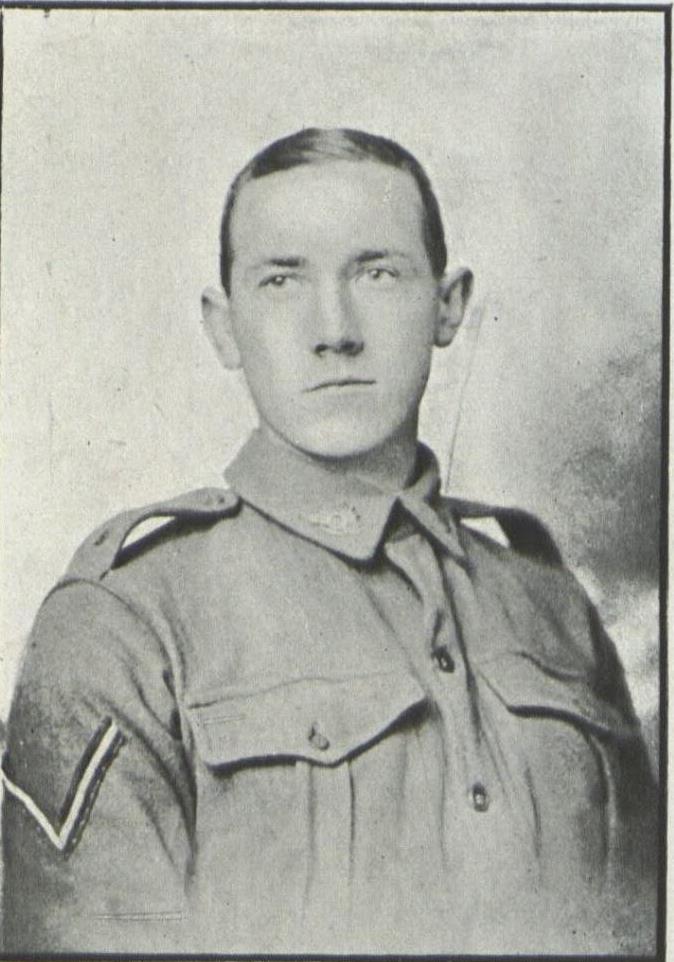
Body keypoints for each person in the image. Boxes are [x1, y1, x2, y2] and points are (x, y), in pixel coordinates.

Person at [1, 128, 657, 954]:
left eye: (378, 273)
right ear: (224, 327)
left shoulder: (550, 604)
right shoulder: (123, 626)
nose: (334, 330)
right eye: (282, 281)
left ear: (449, 304)